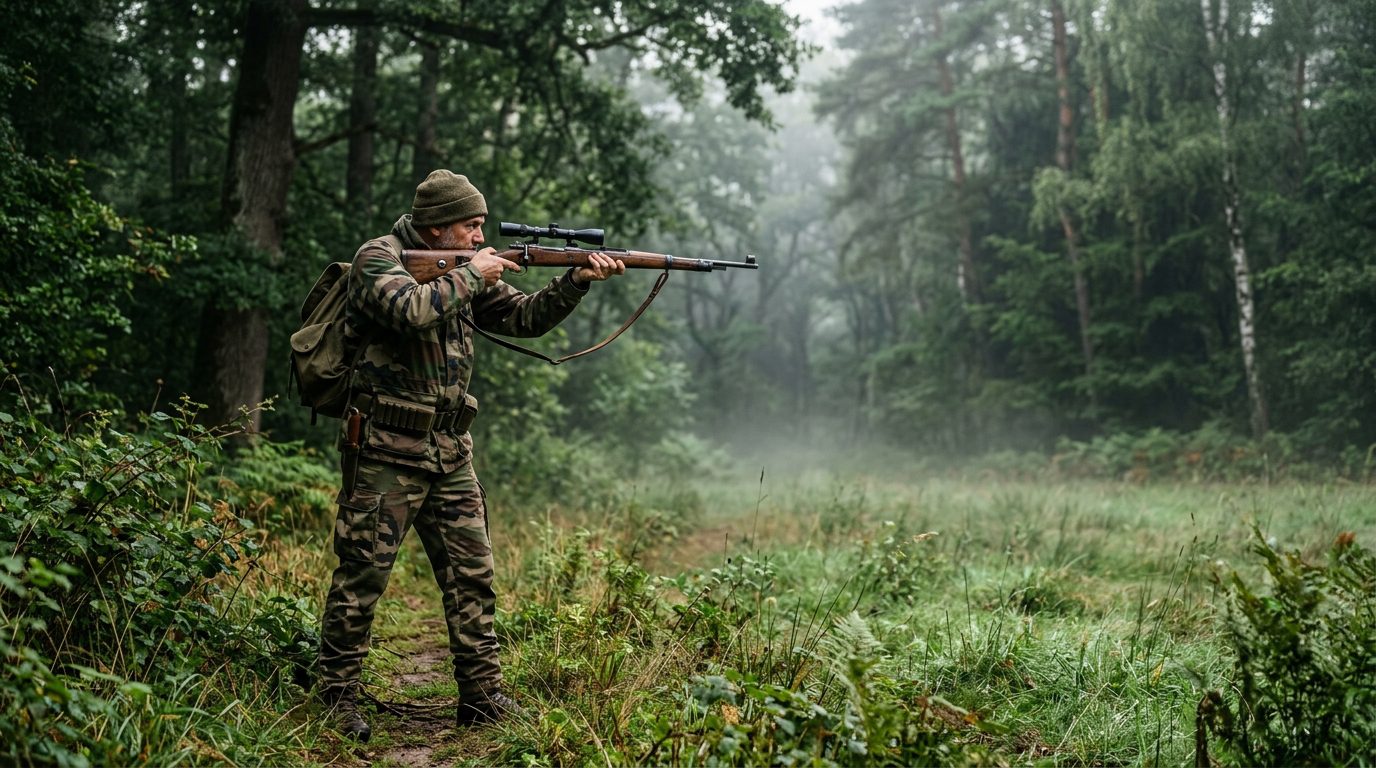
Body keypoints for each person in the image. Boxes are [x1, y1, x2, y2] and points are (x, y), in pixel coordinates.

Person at [315, 170, 625, 741]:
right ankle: (336, 699)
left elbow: (522, 318)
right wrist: (473, 274)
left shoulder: (464, 266)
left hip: (451, 450)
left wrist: (576, 281)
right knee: (362, 576)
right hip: (386, 447)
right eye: (472, 226)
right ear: (436, 230)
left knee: (473, 576)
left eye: (483, 227)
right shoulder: (377, 259)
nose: (481, 237)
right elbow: (407, 310)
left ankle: (482, 699)